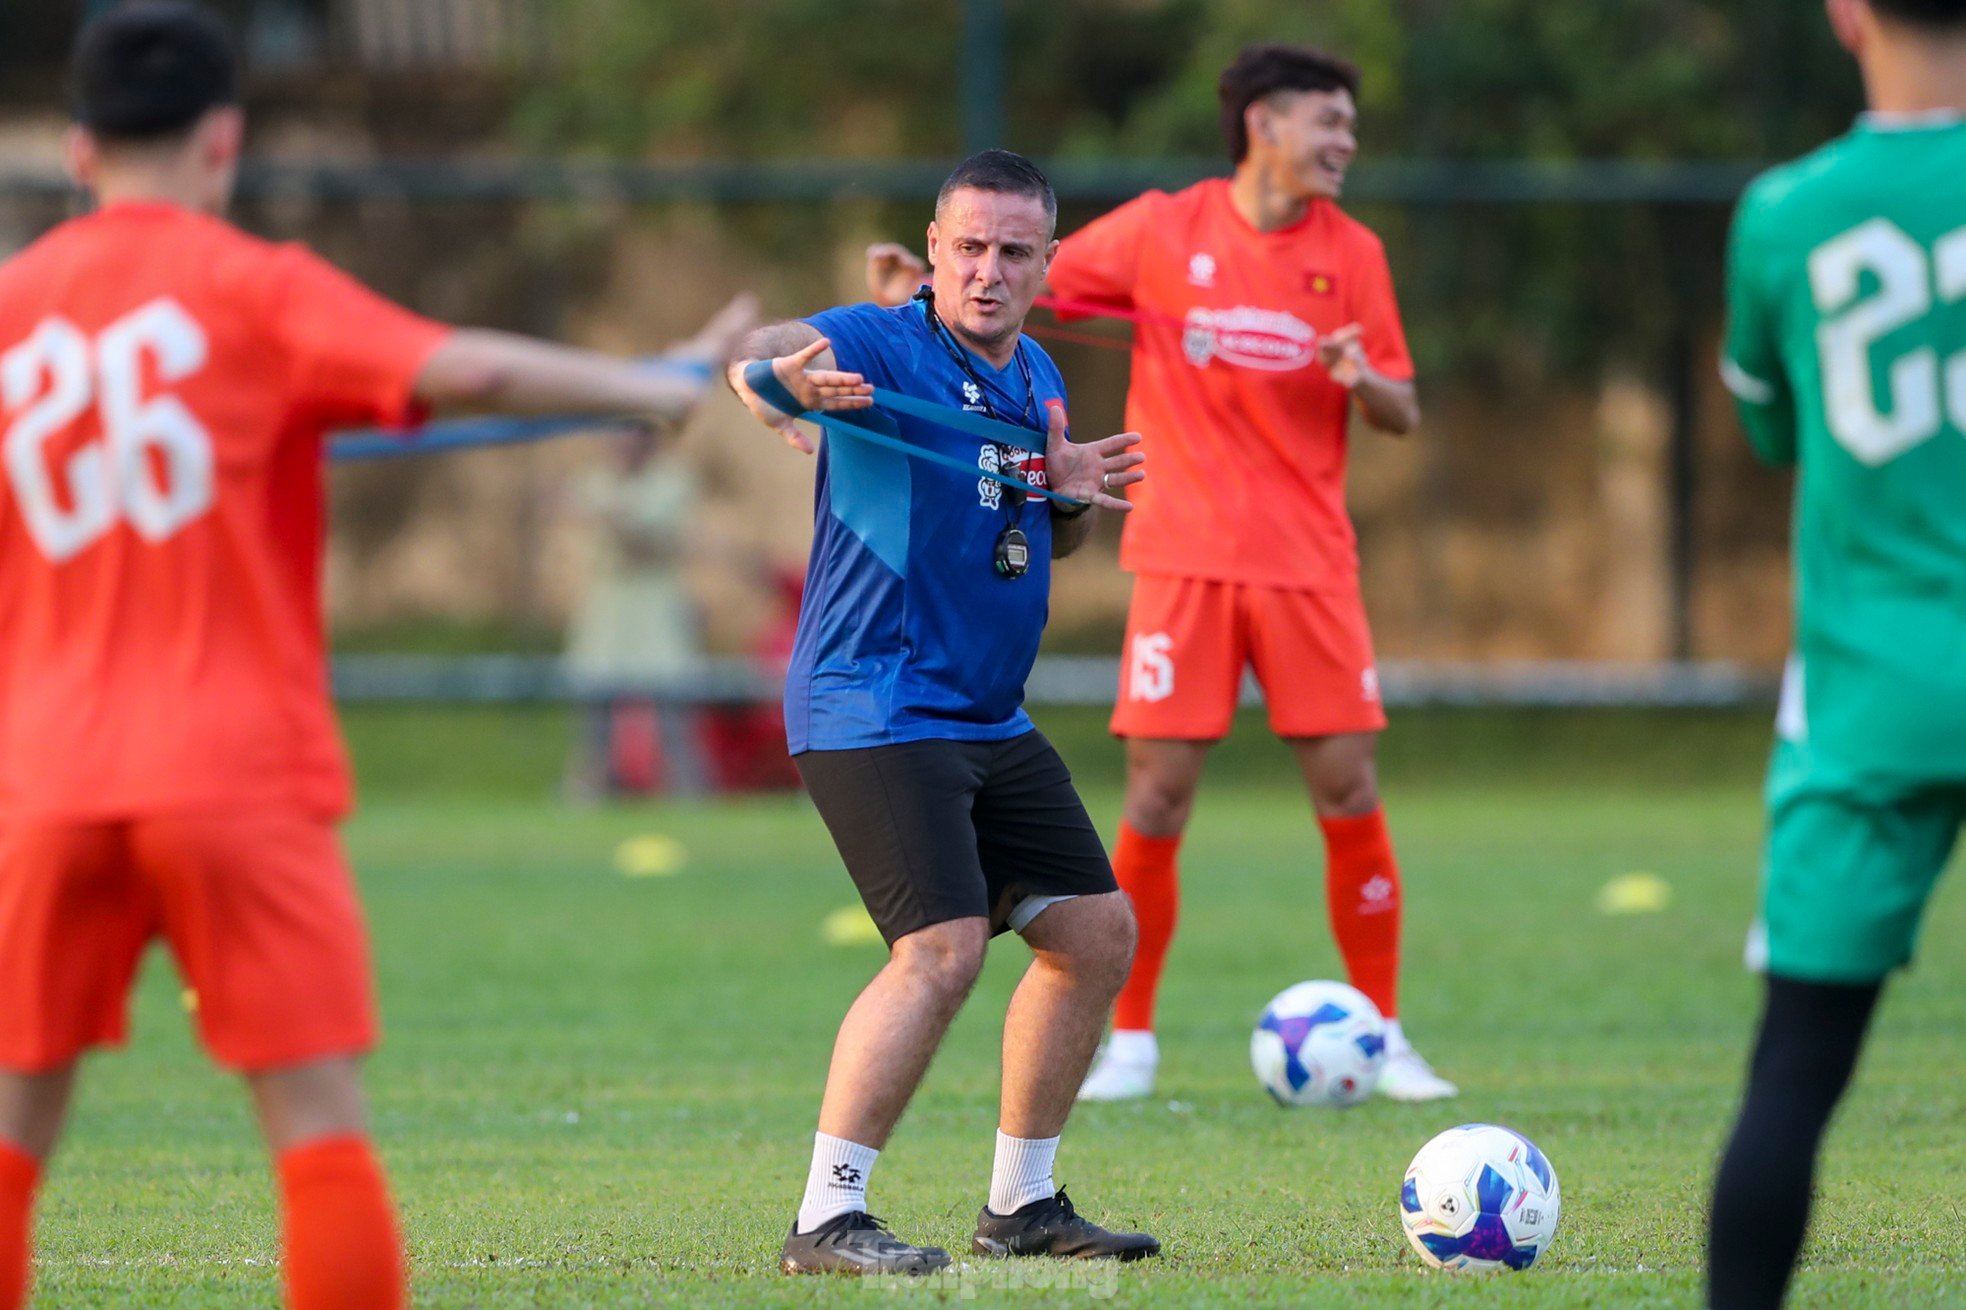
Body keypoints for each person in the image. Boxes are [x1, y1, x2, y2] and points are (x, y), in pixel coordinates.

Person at [0, 6, 722, 1308]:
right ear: (225, 138)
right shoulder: (251, 286)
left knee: (12, 1131)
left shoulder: (9, 308)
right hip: (231, 769)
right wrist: (652, 380)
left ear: (76, 147)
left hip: (41, 774)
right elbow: (471, 369)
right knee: (314, 1121)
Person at [868, 44, 1453, 1103]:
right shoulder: (1161, 228)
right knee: (1160, 791)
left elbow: (1403, 409)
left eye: (1348, 126)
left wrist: (1364, 378)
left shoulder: (1352, 253)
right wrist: (921, 292)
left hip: (1308, 562)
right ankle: (1128, 1034)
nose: (1344, 143)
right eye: (1328, 122)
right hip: (1182, 557)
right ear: (1263, 127)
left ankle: (1385, 1029)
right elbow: (1021, 285)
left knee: (1348, 785)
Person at [728, 149, 1156, 1275]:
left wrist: (1066, 500)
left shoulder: (1038, 377)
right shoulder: (880, 342)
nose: (987, 270)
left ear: (1045, 264)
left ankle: (1021, 1203)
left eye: (1014, 251)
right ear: (932, 248)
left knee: (1094, 933)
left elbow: (1050, 531)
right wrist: (779, 385)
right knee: (942, 949)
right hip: (873, 698)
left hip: (984, 715)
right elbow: (762, 359)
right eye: (968, 246)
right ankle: (826, 1216)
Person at [1707, 1, 1966, 1305]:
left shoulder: (1787, 212)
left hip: (1871, 694)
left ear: (1846, 13)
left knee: (1794, 1072)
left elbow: (1768, 432)